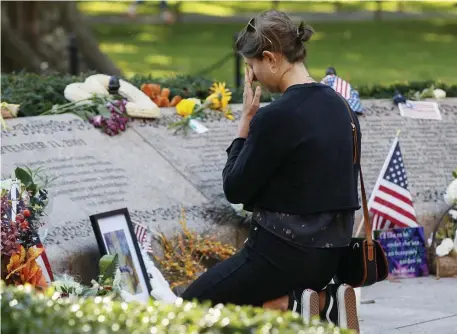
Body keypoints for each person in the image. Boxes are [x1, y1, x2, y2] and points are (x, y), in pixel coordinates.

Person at [181, 10, 361, 332]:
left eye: (252, 67)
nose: (253, 76)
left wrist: (245, 123)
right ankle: (307, 302)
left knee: (193, 305)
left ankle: (290, 302)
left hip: (280, 257)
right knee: (246, 304)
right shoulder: (342, 107)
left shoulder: (277, 116)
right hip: (330, 259)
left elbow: (235, 189)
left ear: (271, 58)